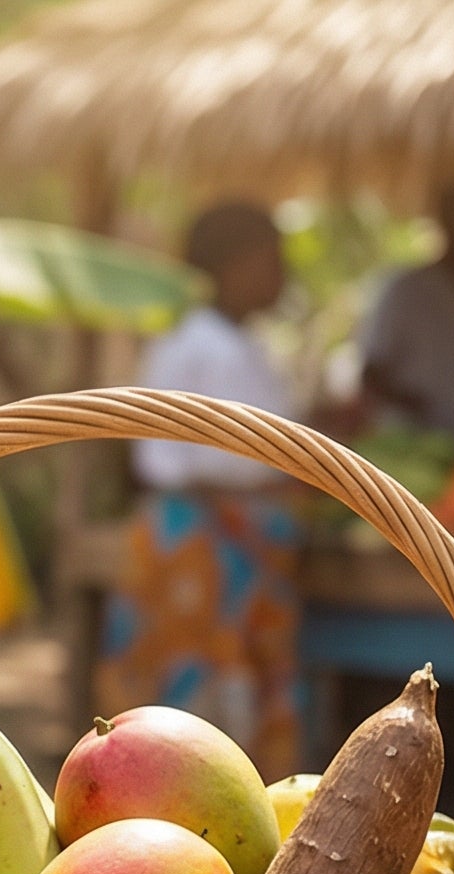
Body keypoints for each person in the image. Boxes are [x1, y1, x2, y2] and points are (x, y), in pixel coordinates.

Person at [97, 201, 302, 778]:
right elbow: (234, 462)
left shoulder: (237, 345)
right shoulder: (203, 345)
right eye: (272, 259)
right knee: (190, 713)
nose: (282, 274)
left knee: (213, 716)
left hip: (223, 542)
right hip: (205, 544)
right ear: (235, 265)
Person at [362, 186, 454, 444]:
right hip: (411, 446)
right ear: (446, 220)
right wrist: (418, 408)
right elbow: (371, 374)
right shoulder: (406, 291)